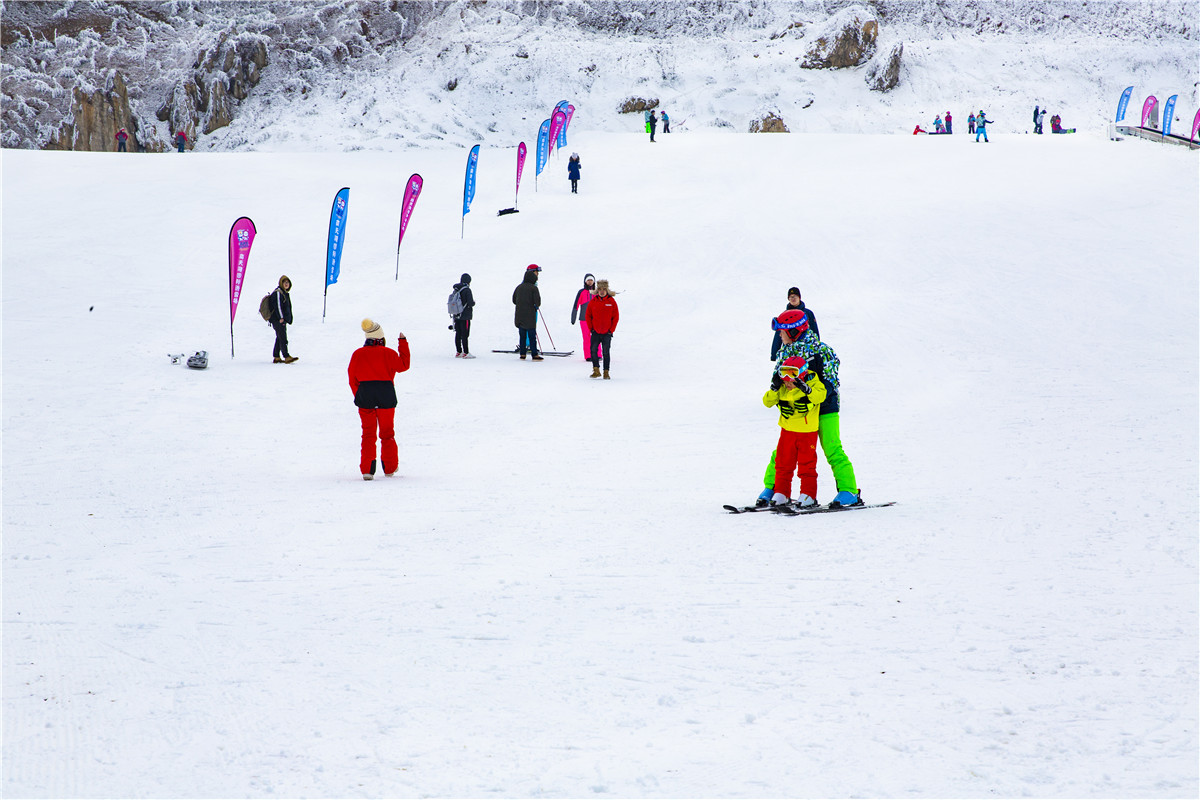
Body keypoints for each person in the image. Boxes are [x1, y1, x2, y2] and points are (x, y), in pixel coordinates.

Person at [756, 309, 862, 508]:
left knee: (832, 448)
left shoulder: (821, 351)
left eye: (782, 331)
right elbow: (778, 382)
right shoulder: (784, 352)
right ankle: (773, 487)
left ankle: (849, 490)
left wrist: (812, 399)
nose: (779, 335)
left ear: (794, 331)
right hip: (797, 412)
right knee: (782, 450)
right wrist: (782, 402)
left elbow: (831, 381)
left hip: (824, 408)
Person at [347, 318, 411, 480]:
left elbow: (352, 378)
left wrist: (359, 394)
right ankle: (389, 467)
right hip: (386, 395)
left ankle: (367, 470)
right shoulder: (388, 353)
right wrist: (402, 343)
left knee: (368, 434)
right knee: (387, 433)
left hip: (365, 395)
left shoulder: (357, 354)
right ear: (381, 338)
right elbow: (403, 365)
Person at [762, 356, 827, 507]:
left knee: (807, 465)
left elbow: (820, 396)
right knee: (783, 463)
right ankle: (781, 493)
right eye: (784, 379)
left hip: (807, 432)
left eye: (791, 380)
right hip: (787, 432)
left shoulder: (813, 382)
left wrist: (807, 389)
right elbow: (767, 402)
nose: (788, 383)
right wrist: (774, 388)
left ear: (801, 375)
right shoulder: (783, 386)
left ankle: (808, 494)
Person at [770, 287, 818, 361]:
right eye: (790, 297)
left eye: (795, 296)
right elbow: (779, 334)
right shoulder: (784, 316)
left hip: (806, 350)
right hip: (789, 350)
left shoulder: (808, 313)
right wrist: (774, 353)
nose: (793, 299)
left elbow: (815, 330)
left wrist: (816, 346)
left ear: (799, 297)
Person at [585, 279, 618, 379]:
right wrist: (591, 329)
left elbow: (615, 317)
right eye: (600, 289)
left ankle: (606, 372)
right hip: (595, 332)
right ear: (597, 290)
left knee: (606, 352)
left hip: (606, 333)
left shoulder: (611, 302)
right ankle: (596, 370)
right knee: (593, 351)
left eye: (604, 289)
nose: (602, 291)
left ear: (606, 290)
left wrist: (611, 330)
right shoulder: (593, 301)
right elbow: (588, 316)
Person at [512, 264, 543, 361]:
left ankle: (522, 354)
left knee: (522, 336)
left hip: (519, 316)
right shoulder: (534, 288)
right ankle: (534, 354)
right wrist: (535, 306)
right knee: (532, 336)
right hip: (530, 316)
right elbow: (538, 302)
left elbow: (513, 300)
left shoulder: (519, 287)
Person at [268, 275, 297, 364]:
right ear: (281, 283)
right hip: (278, 320)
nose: (286, 284)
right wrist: (281, 317)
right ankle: (286, 356)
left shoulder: (283, 293)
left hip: (281, 319)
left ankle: (276, 356)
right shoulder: (278, 293)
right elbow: (278, 306)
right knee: (283, 338)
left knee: (279, 337)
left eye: (288, 283)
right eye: (285, 283)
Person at [571, 273, 597, 359]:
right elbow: (576, 305)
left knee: (597, 337)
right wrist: (573, 317)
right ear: (585, 281)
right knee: (587, 337)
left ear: (594, 281)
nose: (590, 282)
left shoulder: (597, 292)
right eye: (588, 280)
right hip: (584, 319)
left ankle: (598, 354)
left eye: (591, 280)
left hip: (596, 319)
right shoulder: (581, 292)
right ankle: (588, 355)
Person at [452, 273, 475, 358]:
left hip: (456, 314)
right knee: (465, 334)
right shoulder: (467, 290)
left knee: (458, 333)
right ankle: (466, 352)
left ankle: (458, 351)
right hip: (465, 315)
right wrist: (474, 303)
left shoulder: (456, 289)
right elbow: (470, 303)